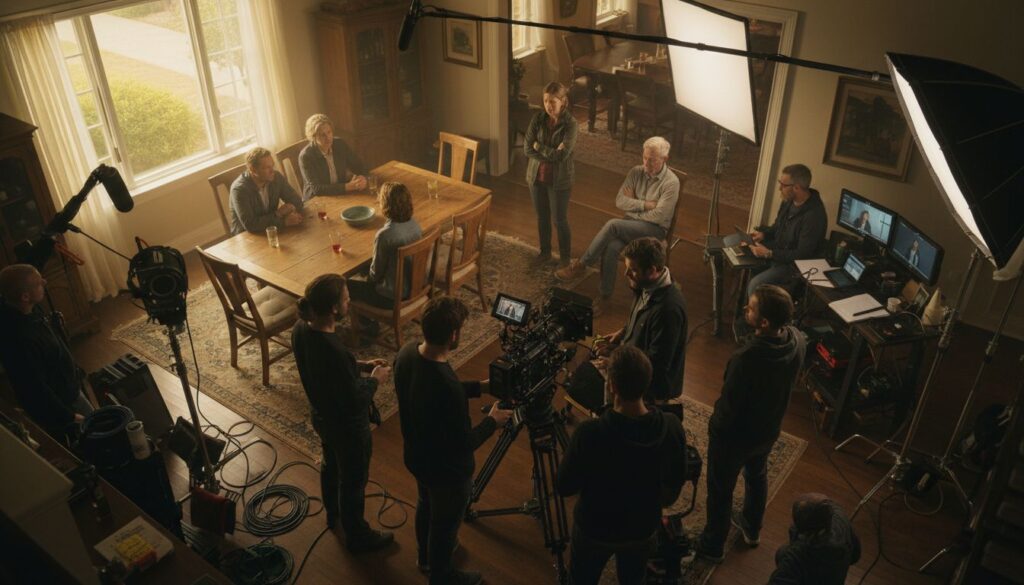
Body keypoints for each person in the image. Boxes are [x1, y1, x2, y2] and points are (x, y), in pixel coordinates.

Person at [393, 296, 513, 585]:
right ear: (454, 335)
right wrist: (492, 421)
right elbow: (464, 443)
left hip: (417, 457)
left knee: (425, 504)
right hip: (448, 475)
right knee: (445, 527)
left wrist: (479, 387)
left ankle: (425, 558)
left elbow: (432, 392)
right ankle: (442, 575)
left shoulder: (407, 353)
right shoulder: (446, 387)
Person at [557, 346, 688, 585]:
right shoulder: (671, 427)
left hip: (594, 529)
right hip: (643, 528)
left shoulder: (589, 433)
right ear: (647, 383)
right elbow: (673, 488)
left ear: (611, 387)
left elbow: (564, 486)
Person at [694, 285, 805, 563]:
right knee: (756, 476)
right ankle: (752, 528)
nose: (745, 310)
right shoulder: (796, 340)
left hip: (735, 438)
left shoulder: (745, 359)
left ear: (764, 322)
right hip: (768, 430)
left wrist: (715, 428)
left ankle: (712, 544)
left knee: (720, 490)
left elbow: (728, 408)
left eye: (751, 308)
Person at [291, 274, 394, 552]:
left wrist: (360, 364)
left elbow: (332, 372)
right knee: (353, 481)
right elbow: (355, 401)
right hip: (348, 427)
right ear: (335, 308)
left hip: (322, 418)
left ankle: (332, 512)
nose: (350, 302)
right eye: (347, 299)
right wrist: (375, 378)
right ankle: (357, 536)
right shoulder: (332, 349)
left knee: (330, 464)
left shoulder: (301, 329)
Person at [555, 137, 679, 310]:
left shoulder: (671, 183)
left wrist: (634, 202)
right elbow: (620, 201)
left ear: (665, 159)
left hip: (654, 229)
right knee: (612, 247)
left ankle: (582, 265)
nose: (646, 163)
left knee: (613, 225)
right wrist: (644, 204)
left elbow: (659, 216)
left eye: (651, 160)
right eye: (644, 157)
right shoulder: (636, 172)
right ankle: (605, 296)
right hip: (631, 224)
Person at [0, 264, 94, 441]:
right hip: (66, 402)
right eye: (38, 283)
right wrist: (69, 416)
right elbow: (33, 388)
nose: (44, 281)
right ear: (25, 296)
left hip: (70, 385)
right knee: (96, 433)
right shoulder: (19, 340)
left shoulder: (22, 306)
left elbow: (19, 277)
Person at [592, 238, 687, 403]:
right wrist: (623, 332)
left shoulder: (668, 310)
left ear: (651, 270)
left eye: (632, 270)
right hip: (634, 362)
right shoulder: (646, 284)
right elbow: (642, 313)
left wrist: (615, 364)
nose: (626, 274)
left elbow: (657, 363)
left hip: (649, 385)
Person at [744, 164, 827, 297]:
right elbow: (777, 226)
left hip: (792, 266)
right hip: (778, 252)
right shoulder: (788, 200)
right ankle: (748, 312)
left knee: (755, 284)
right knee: (744, 257)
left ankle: (758, 315)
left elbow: (802, 254)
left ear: (797, 188)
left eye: (783, 185)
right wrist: (763, 234)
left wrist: (769, 253)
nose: (779, 188)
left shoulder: (814, 216)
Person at [346, 182, 423, 315]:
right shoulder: (414, 224)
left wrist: (367, 282)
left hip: (391, 297)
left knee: (345, 285)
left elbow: (375, 274)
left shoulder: (385, 235)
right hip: (415, 286)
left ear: (384, 204)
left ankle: (367, 324)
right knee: (365, 269)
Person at [525, 81, 578, 267]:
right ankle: (545, 252)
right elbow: (526, 149)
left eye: (552, 101)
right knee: (542, 217)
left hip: (559, 180)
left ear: (563, 101)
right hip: (536, 177)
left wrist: (539, 146)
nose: (548, 105)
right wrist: (551, 153)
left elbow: (562, 155)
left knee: (559, 220)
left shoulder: (571, 125)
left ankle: (565, 258)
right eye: (545, 100)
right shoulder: (537, 119)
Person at [768, 494, 861, 585]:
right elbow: (855, 555)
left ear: (802, 530)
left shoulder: (798, 556)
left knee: (781, 553)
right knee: (782, 552)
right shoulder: (840, 519)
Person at [229, 146, 304, 234]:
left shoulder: (276, 177)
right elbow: (251, 225)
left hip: (273, 230)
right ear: (252, 169)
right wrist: (280, 218)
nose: (272, 171)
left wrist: (291, 208)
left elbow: (297, 201)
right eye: (267, 168)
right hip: (247, 237)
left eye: (272, 166)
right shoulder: (239, 190)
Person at [298, 113, 369, 201]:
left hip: (339, 195)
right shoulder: (306, 156)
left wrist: (363, 178)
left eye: (329, 132)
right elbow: (317, 189)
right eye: (322, 135)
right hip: (316, 201)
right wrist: (348, 187)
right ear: (313, 137)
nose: (328, 138)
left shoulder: (339, 144)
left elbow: (359, 165)